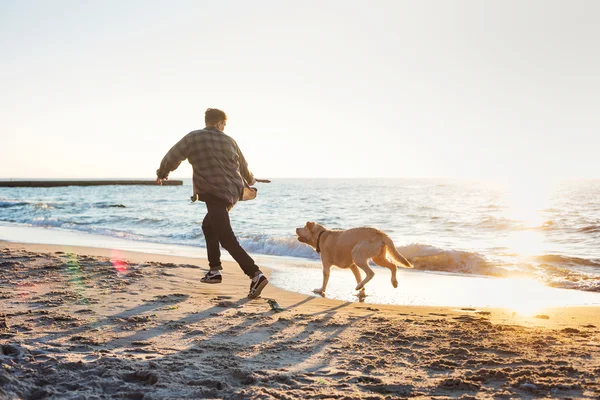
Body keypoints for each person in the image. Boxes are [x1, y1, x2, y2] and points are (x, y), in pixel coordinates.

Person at [156, 108, 269, 298]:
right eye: (224, 124)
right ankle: (214, 271)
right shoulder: (230, 141)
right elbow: (244, 169)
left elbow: (173, 155)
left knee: (226, 237)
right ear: (219, 124)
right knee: (208, 226)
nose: (224, 128)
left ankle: (255, 274)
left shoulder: (193, 137)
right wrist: (251, 180)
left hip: (214, 192)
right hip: (232, 193)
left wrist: (162, 173)